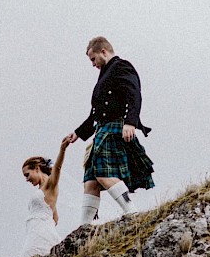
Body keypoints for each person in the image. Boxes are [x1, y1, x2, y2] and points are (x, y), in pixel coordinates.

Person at [64, 36, 154, 224]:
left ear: (103, 51)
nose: (93, 64)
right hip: (102, 130)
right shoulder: (104, 75)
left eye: (93, 59)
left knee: (103, 173)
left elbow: (134, 94)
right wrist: (78, 133)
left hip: (114, 128)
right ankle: (84, 228)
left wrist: (130, 122)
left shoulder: (121, 66)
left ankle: (132, 214)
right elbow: (95, 113)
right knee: (90, 182)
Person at [20, 139, 70, 257]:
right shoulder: (42, 190)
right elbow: (55, 217)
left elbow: (57, 168)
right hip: (34, 230)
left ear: (37, 168)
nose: (27, 179)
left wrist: (62, 149)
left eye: (27, 175)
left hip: (41, 231)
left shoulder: (50, 185)